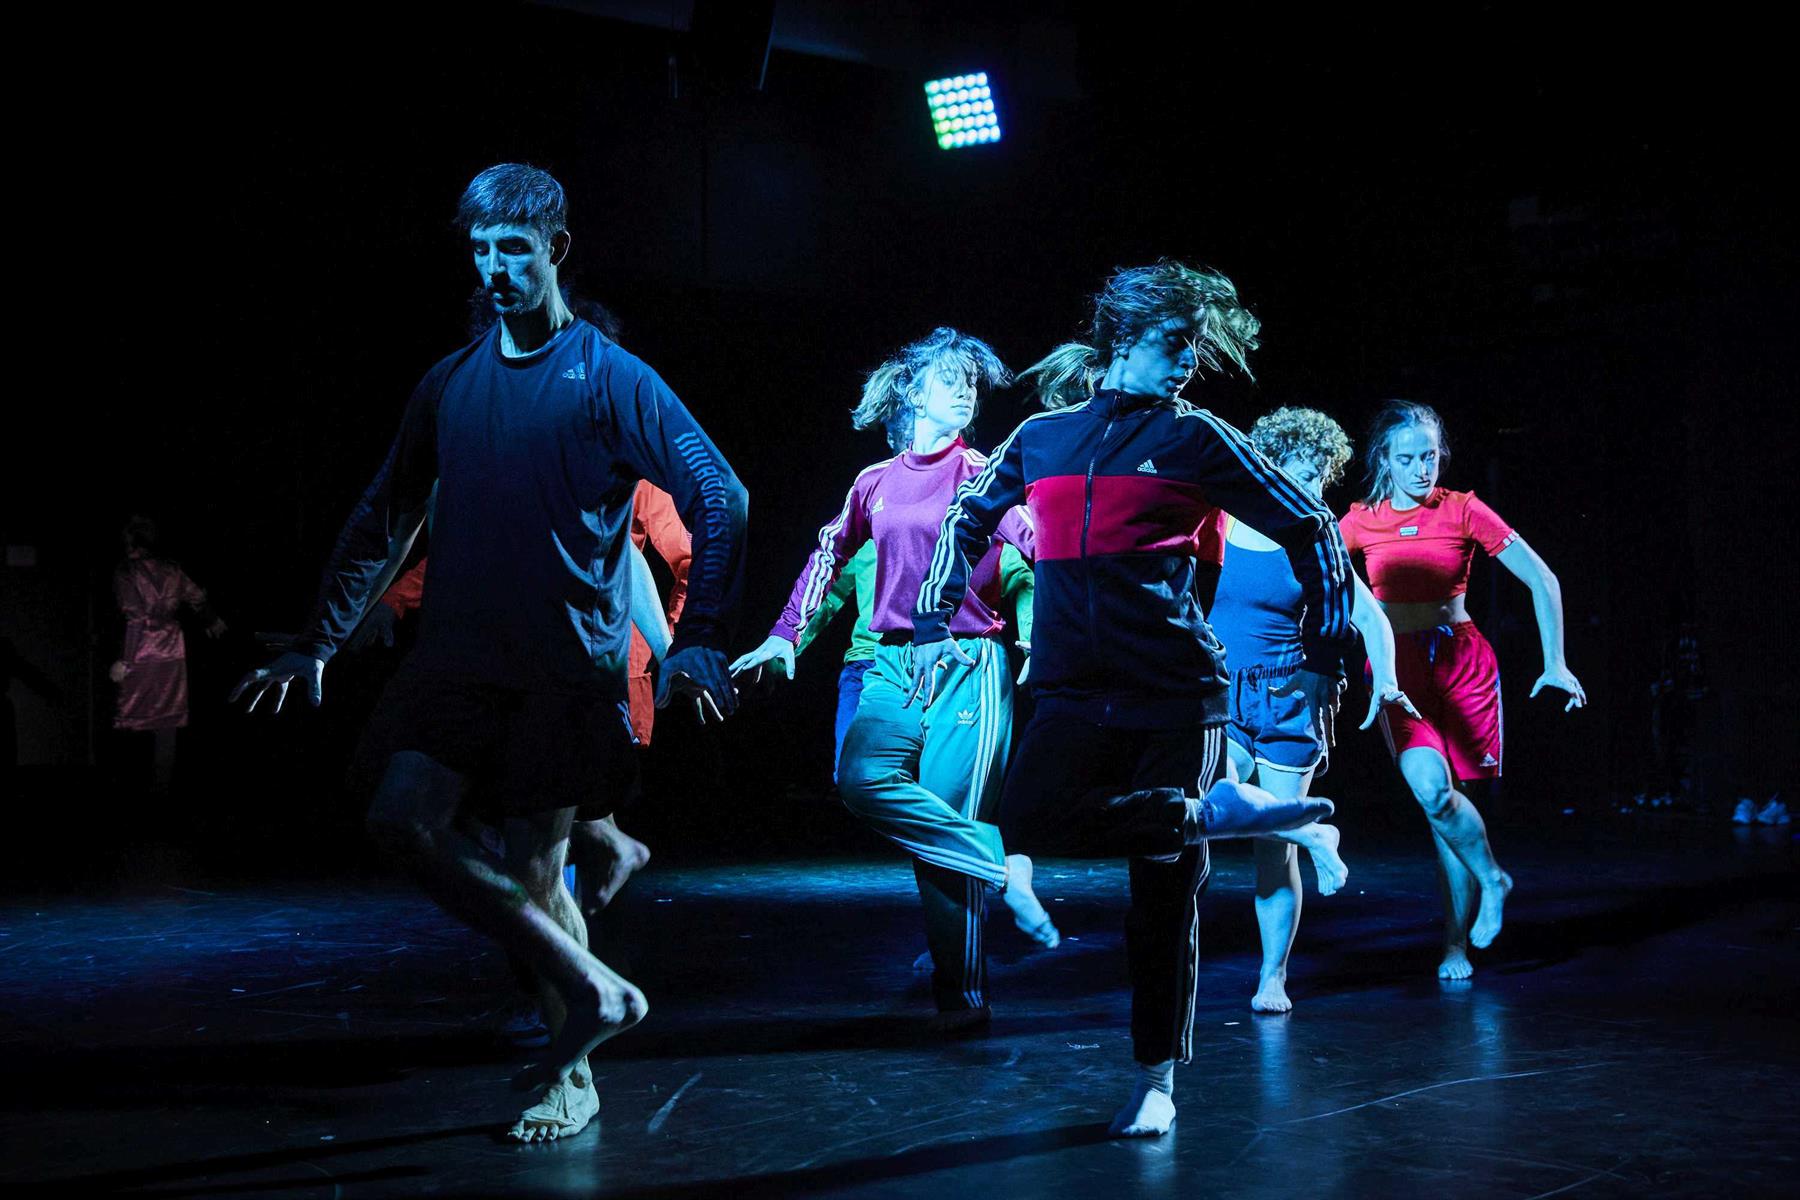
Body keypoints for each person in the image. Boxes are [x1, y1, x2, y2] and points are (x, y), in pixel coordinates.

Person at [231, 163, 746, 1142]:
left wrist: (700, 638)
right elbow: (385, 512)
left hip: (561, 668)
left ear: (555, 249)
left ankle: (573, 1078)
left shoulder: (610, 378)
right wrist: (318, 640)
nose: (496, 269)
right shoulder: (451, 382)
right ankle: (595, 987)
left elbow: (721, 493)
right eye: (481, 251)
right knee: (400, 818)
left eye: (515, 249)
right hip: (459, 661)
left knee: (539, 869)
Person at [912, 261, 1346, 1137]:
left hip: (1174, 694)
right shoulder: (1043, 437)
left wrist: (1326, 656)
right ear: (1122, 337)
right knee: (1025, 820)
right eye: (1173, 342)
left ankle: (1156, 1081)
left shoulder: (1195, 437)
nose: (1188, 361)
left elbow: (1312, 524)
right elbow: (966, 516)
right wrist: (932, 620)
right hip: (1071, 691)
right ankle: (1208, 814)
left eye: (1195, 347)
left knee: (1163, 898)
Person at [731, 327, 1059, 1033]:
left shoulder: (983, 472)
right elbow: (829, 554)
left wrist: (1050, 628)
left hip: (967, 662)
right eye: (950, 378)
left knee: (942, 838)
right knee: (860, 779)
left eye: (972, 382)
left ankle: (961, 1001)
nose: (966, 391)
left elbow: (1039, 548)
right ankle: (1004, 868)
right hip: (889, 660)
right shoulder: (873, 482)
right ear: (913, 391)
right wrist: (785, 634)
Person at [1339, 400, 1585, 979]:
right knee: (1432, 794)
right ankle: (1492, 879)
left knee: (1448, 810)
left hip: (1462, 664)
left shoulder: (1463, 509)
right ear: (1384, 460)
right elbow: (1316, 580)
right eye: (1407, 459)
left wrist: (1555, 662)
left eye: (1429, 456)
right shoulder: (1359, 520)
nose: (1421, 469)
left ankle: (1455, 943)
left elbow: (1542, 578)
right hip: (1398, 672)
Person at [1207, 407, 1416, 1013]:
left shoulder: (1315, 540)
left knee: (1272, 852)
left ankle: (1273, 977)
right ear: (1270, 466)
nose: (1313, 488)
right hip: (1223, 692)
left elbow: (1370, 617)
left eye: (1322, 477)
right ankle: (1312, 831)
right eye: (1302, 473)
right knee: (1216, 798)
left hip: (1291, 697)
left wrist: (1386, 684)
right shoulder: (1222, 521)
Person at [110, 515, 227, 796]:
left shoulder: (127, 572)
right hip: (172, 650)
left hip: (142, 652)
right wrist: (212, 619)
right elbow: (196, 597)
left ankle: (134, 791)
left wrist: (125, 661)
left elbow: (136, 619)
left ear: (131, 541)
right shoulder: (172, 569)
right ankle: (160, 793)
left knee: (134, 718)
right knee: (166, 723)